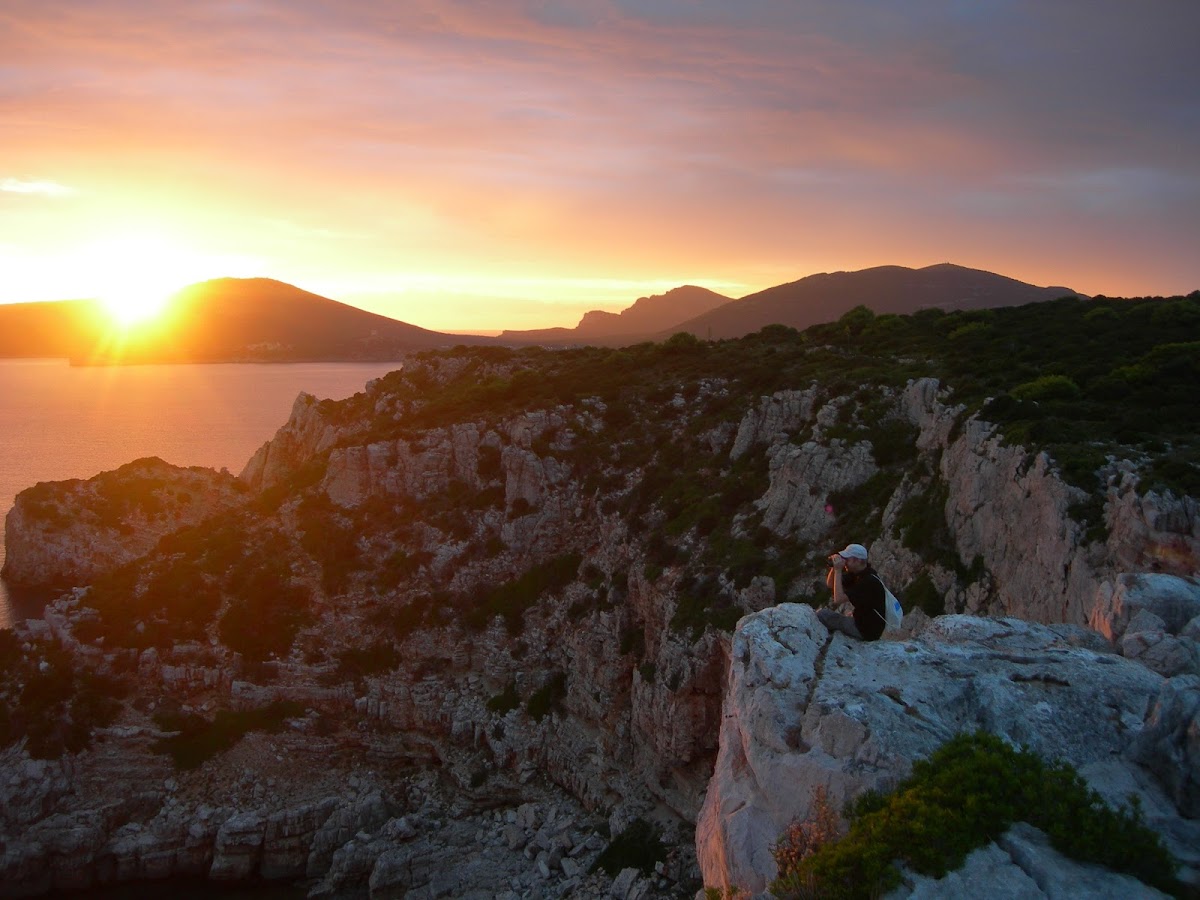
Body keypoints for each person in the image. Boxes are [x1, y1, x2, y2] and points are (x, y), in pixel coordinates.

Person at [817, 542, 886, 641]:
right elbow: (830, 584)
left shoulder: (867, 581)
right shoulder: (860, 573)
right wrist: (834, 567)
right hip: (866, 625)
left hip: (864, 630)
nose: (845, 562)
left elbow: (838, 599)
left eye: (847, 559)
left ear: (857, 560)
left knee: (822, 614)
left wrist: (838, 570)